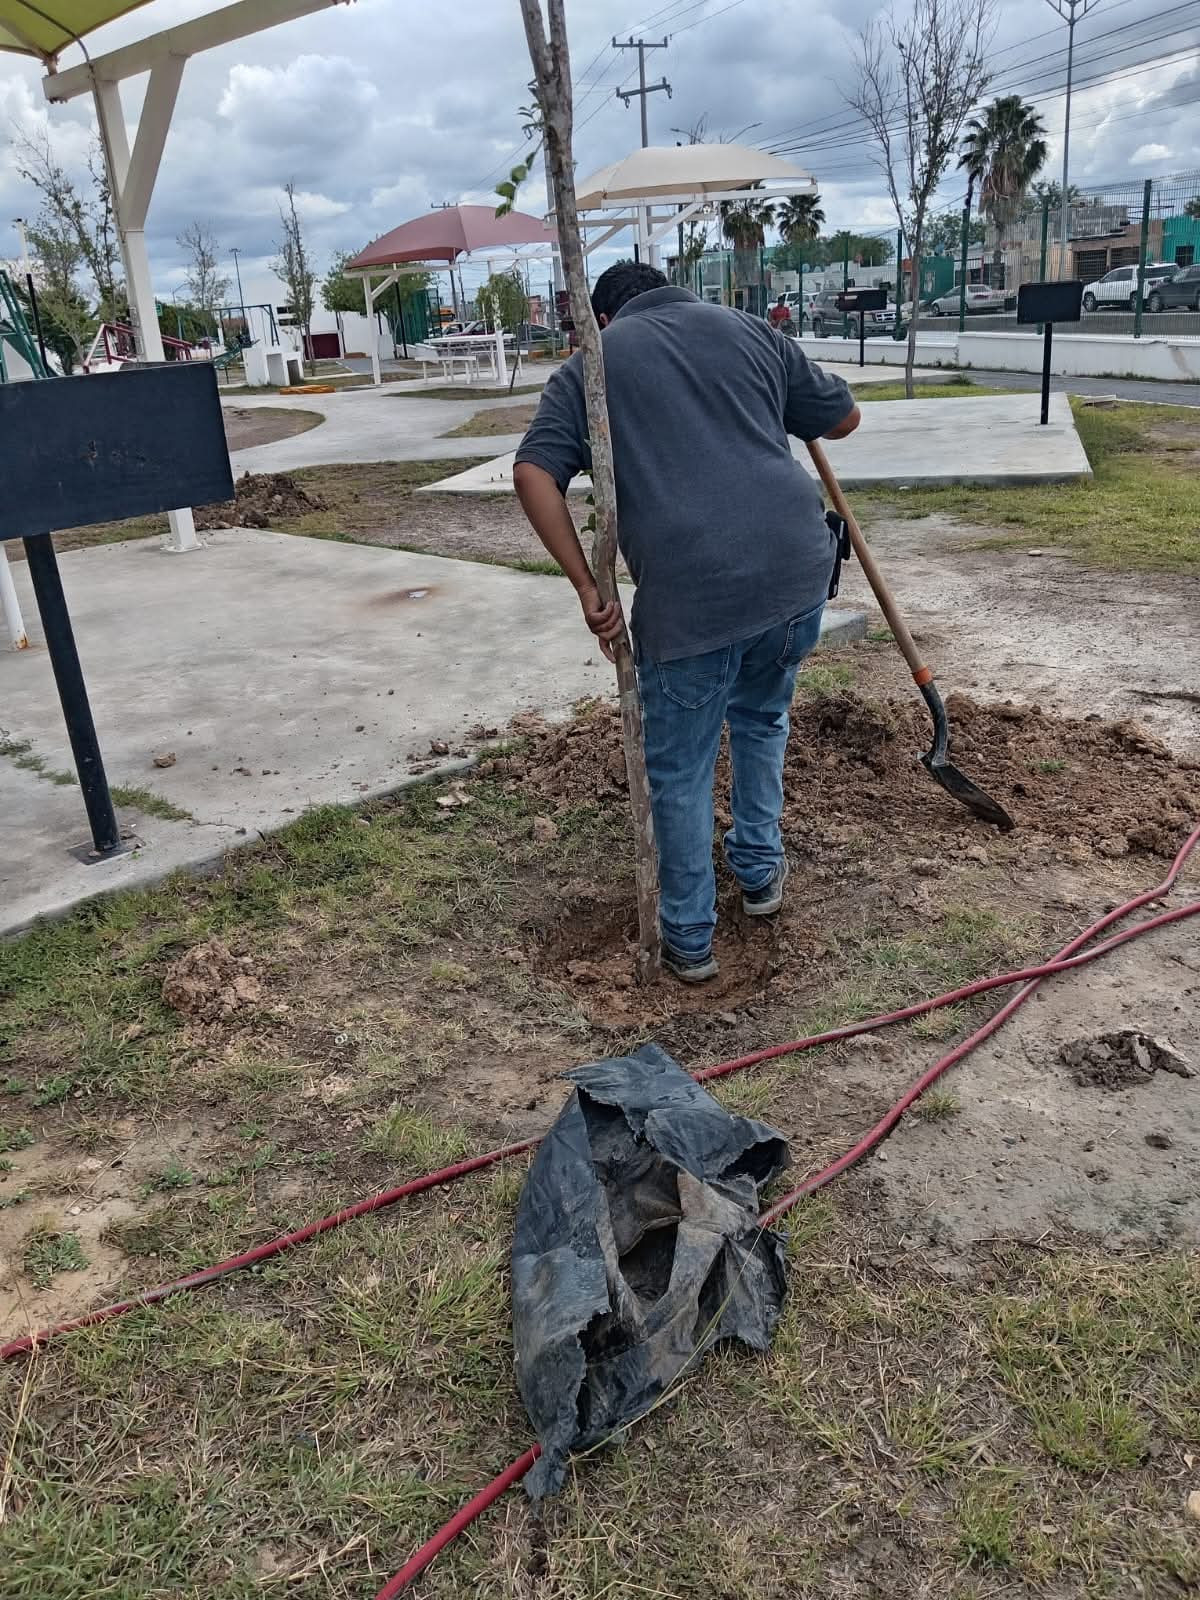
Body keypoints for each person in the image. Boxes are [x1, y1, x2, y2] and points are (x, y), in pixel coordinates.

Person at [512, 261, 860, 983]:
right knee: (763, 720)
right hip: (797, 569)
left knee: (679, 769)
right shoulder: (751, 330)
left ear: (601, 317)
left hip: (694, 594)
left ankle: (690, 941)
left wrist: (586, 585)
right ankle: (760, 877)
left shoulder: (593, 367)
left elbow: (533, 473)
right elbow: (844, 418)